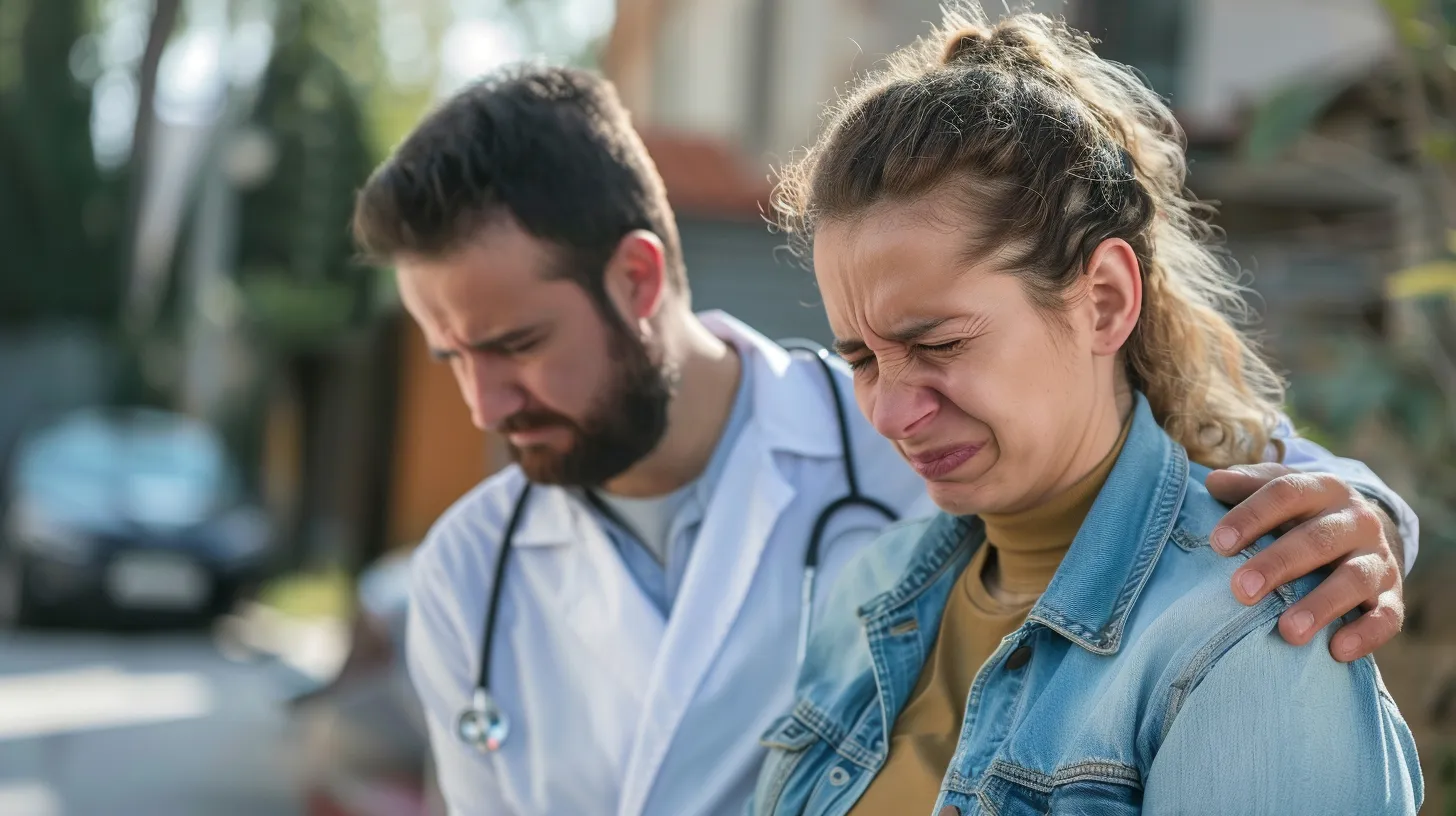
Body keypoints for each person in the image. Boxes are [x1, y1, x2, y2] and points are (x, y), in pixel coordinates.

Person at [350, 65, 1419, 816]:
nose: (484, 407)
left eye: (517, 343)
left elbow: (1221, 469)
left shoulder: (1235, 628)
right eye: (861, 358)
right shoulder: (883, 589)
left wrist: (1360, 512)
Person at [748, 8, 1423, 815]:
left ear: (1103, 302)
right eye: (859, 357)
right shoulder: (866, 594)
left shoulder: (1248, 626)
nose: (892, 410)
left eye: (940, 346)